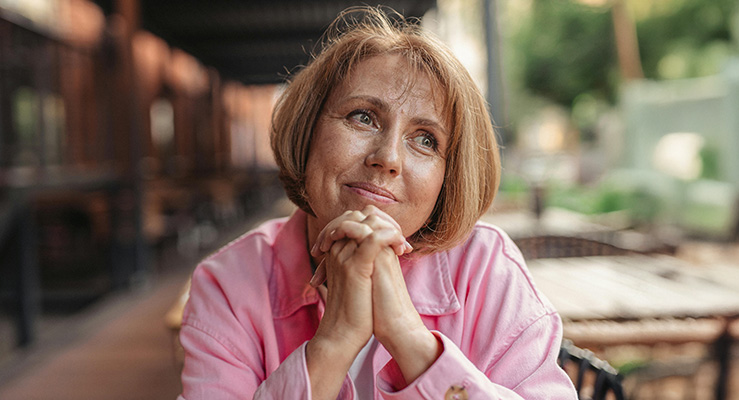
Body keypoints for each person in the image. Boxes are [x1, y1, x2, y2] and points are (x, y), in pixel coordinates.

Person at [178, 7, 576, 400]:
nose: (388, 158)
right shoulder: (228, 283)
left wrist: (410, 338)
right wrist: (333, 342)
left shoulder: (486, 268)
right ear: (308, 129)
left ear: (448, 176)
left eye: (426, 140)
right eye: (363, 117)